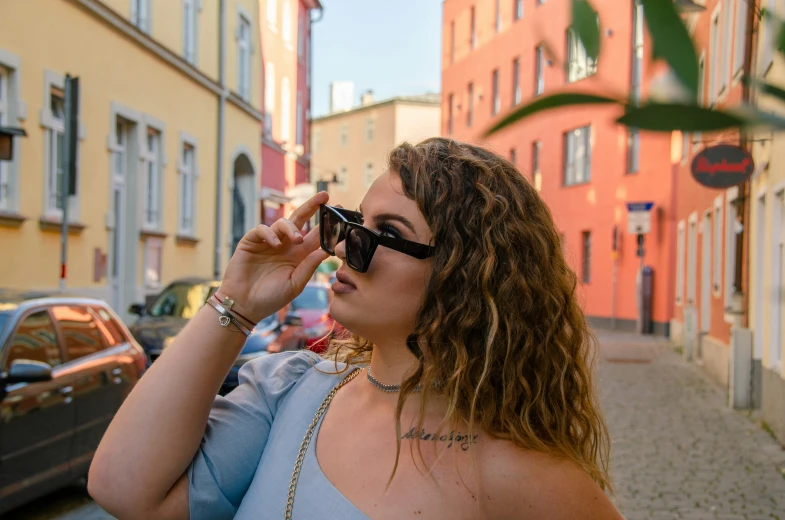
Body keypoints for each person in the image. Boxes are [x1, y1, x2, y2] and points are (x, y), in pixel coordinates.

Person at [89, 138, 624, 519]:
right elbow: (125, 489)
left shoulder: (513, 471)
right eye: (352, 222)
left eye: (385, 232)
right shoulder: (292, 390)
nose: (341, 247)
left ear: (465, 274)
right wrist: (237, 303)